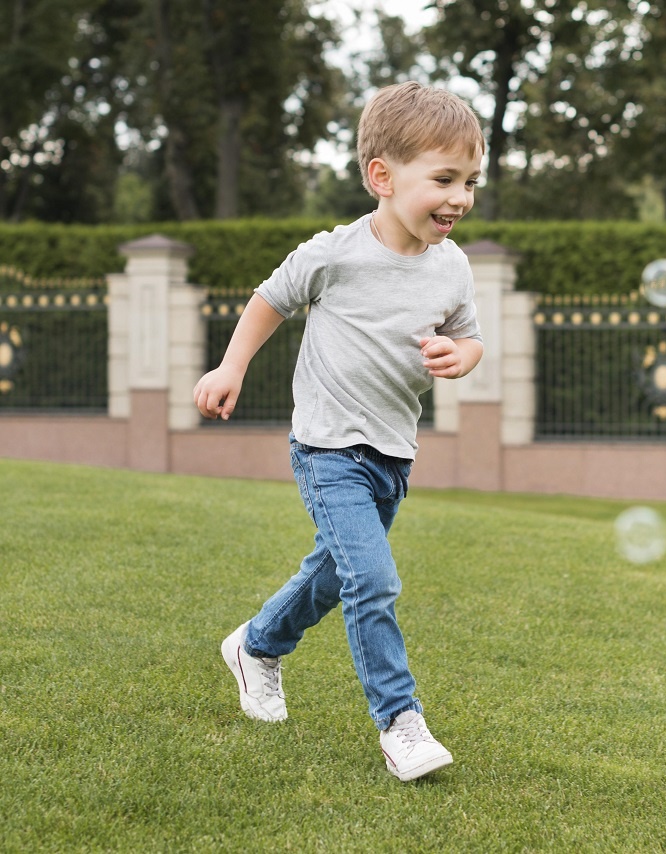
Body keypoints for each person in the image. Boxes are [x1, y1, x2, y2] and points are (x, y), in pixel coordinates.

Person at [193, 81, 485, 782]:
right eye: (444, 179)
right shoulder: (335, 253)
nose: (461, 197)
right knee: (374, 581)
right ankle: (401, 723)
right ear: (382, 177)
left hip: (393, 453)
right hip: (328, 446)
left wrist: (462, 356)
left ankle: (257, 647)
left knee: (332, 573)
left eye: (472, 181)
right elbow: (270, 300)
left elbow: (469, 338)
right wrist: (231, 367)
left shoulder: (453, 266)